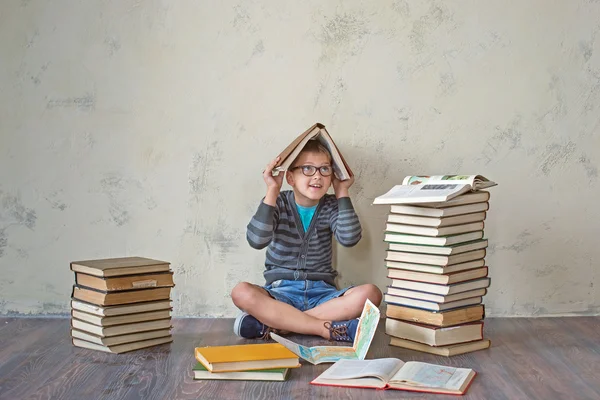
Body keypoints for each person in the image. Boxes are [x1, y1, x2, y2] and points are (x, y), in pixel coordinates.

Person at [231, 140, 382, 342]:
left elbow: (349, 238)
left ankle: (278, 326)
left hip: (322, 295)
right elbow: (257, 240)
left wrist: (342, 192)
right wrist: (272, 190)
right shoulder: (278, 202)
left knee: (371, 294)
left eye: (324, 169)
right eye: (308, 169)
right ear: (291, 177)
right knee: (241, 292)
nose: (317, 175)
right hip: (280, 294)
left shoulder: (331, 205)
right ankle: (323, 328)